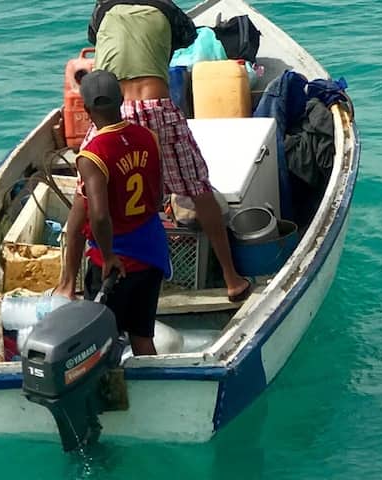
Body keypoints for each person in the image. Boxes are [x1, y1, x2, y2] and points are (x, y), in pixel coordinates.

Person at [89, 0, 252, 302]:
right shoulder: (165, 7)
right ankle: (232, 279)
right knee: (199, 189)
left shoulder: (102, 9)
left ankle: (67, 282)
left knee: (87, 192)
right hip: (157, 107)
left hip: (113, 111)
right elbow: (188, 37)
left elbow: (94, 37)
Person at [56, 70, 170, 356]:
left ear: (86, 110)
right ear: (121, 100)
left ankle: (109, 384)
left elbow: (99, 216)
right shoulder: (149, 137)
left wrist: (108, 256)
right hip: (152, 252)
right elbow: (158, 195)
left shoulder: (92, 155)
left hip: (115, 263)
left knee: (100, 343)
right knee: (142, 336)